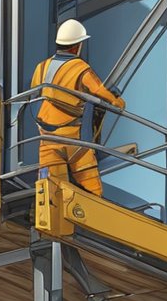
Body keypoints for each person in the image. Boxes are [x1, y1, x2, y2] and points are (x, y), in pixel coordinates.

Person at [30, 19, 125, 196]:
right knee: (92, 191)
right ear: (77, 46)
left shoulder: (40, 67)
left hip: (48, 139)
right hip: (74, 140)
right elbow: (98, 90)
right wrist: (117, 102)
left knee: (52, 193)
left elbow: (34, 97)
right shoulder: (80, 67)